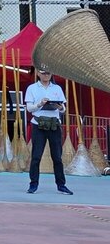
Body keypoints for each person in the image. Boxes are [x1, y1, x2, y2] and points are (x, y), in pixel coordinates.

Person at [25, 66, 72, 195]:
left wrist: (60, 107)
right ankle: (33, 184)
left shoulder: (57, 89)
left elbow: (63, 109)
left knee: (57, 157)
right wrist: (40, 104)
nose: (46, 75)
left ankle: (61, 185)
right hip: (38, 124)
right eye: (43, 73)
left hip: (54, 125)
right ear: (38, 74)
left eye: (48, 73)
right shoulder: (32, 88)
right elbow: (29, 108)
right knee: (36, 157)